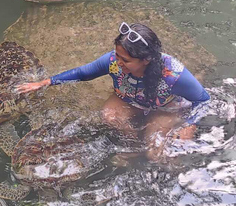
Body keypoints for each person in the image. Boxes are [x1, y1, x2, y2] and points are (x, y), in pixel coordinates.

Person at [16, 22, 210, 162]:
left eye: (125, 60)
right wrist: (46, 82)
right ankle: (133, 147)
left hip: (164, 108)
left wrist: (191, 125)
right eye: (117, 55)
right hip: (127, 100)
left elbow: (203, 100)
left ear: (146, 59)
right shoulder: (112, 62)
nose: (118, 62)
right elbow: (83, 73)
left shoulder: (173, 74)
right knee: (109, 116)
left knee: (156, 154)